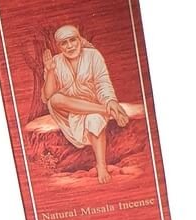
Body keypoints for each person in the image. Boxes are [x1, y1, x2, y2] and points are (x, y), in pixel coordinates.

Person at [41, 24, 130, 184]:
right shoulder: (55, 61)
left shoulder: (93, 55)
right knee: (55, 99)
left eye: (72, 40)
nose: (70, 46)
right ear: (59, 46)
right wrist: (50, 71)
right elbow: (48, 96)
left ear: (79, 40)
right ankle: (106, 110)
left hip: (90, 105)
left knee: (94, 119)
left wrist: (110, 100)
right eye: (64, 43)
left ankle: (101, 166)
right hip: (67, 110)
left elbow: (103, 82)